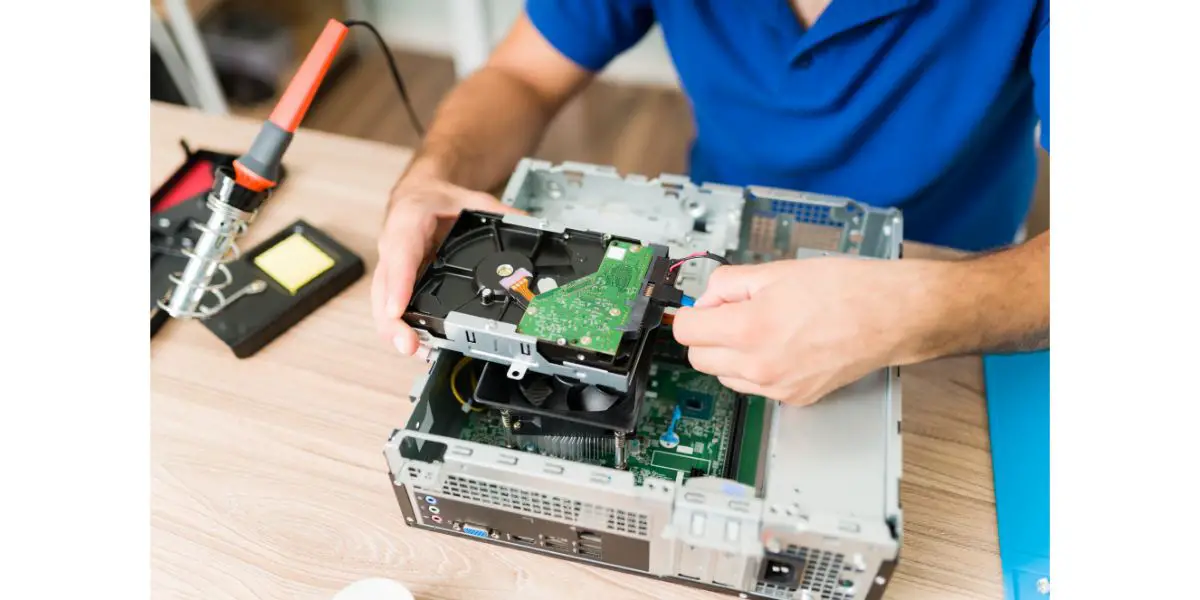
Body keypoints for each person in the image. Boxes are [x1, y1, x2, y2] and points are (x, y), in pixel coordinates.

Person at [372, 1, 1050, 406]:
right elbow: (521, 74)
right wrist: (431, 177)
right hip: (720, 258)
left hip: (961, 296)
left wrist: (919, 309)